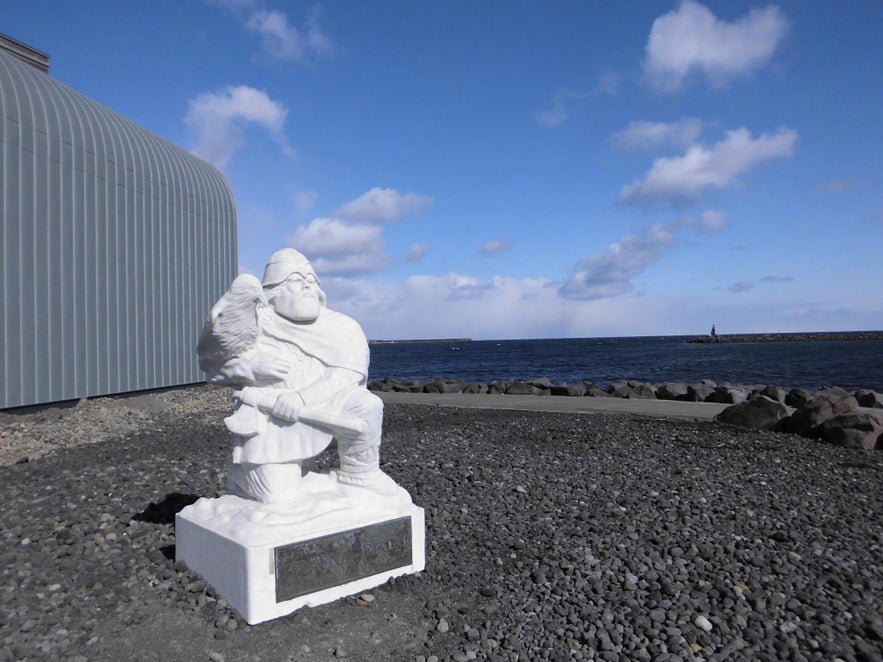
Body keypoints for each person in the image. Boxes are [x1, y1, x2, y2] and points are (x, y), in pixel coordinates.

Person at [198, 248, 399, 503]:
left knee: (366, 404)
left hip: (319, 403)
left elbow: (347, 375)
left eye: (311, 280)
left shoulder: (342, 327)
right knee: (278, 499)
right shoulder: (255, 324)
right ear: (274, 290)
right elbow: (214, 370)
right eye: (295, 280)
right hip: (269, 415)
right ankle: (245, 473)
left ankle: (360, 473)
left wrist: (301, 398)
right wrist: (251, 367)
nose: (307, 286)